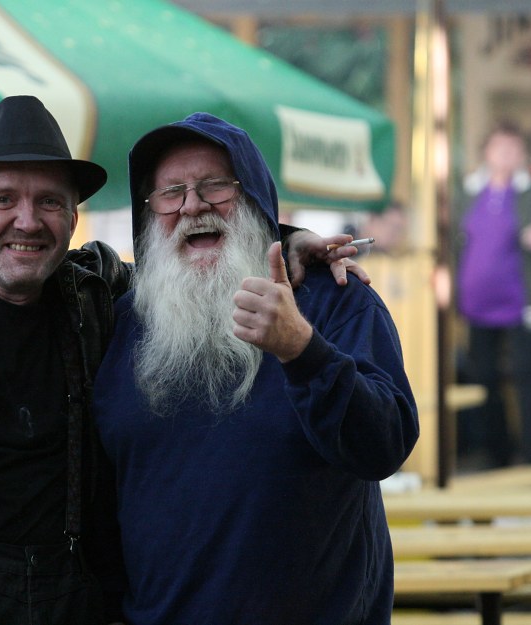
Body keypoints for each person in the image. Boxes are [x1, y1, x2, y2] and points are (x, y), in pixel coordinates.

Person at [0, 96, 366, 625]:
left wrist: (283, 241)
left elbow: (195, 255)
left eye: (49, 201)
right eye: (4, 199)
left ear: (73, 217)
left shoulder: (100, 291)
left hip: (77, 604)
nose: (27, 221)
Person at [92, 113, 419, 624]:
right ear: (149, 212)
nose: (193, 205)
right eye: (171, 192)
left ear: (255, 200)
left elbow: (386, 444)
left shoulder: (334, 301)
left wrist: (303, 351)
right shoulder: (118, 322)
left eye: (216, 186)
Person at [454, 120, 531, 468]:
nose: (506, 154)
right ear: (486, 152)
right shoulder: (467, 191)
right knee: (484, 379)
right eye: (500, 147)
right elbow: (453, 240)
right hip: (476, 302)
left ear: (523, 154)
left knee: (527, 378)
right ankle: (497, 455)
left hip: (522, 301)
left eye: (514, 148)